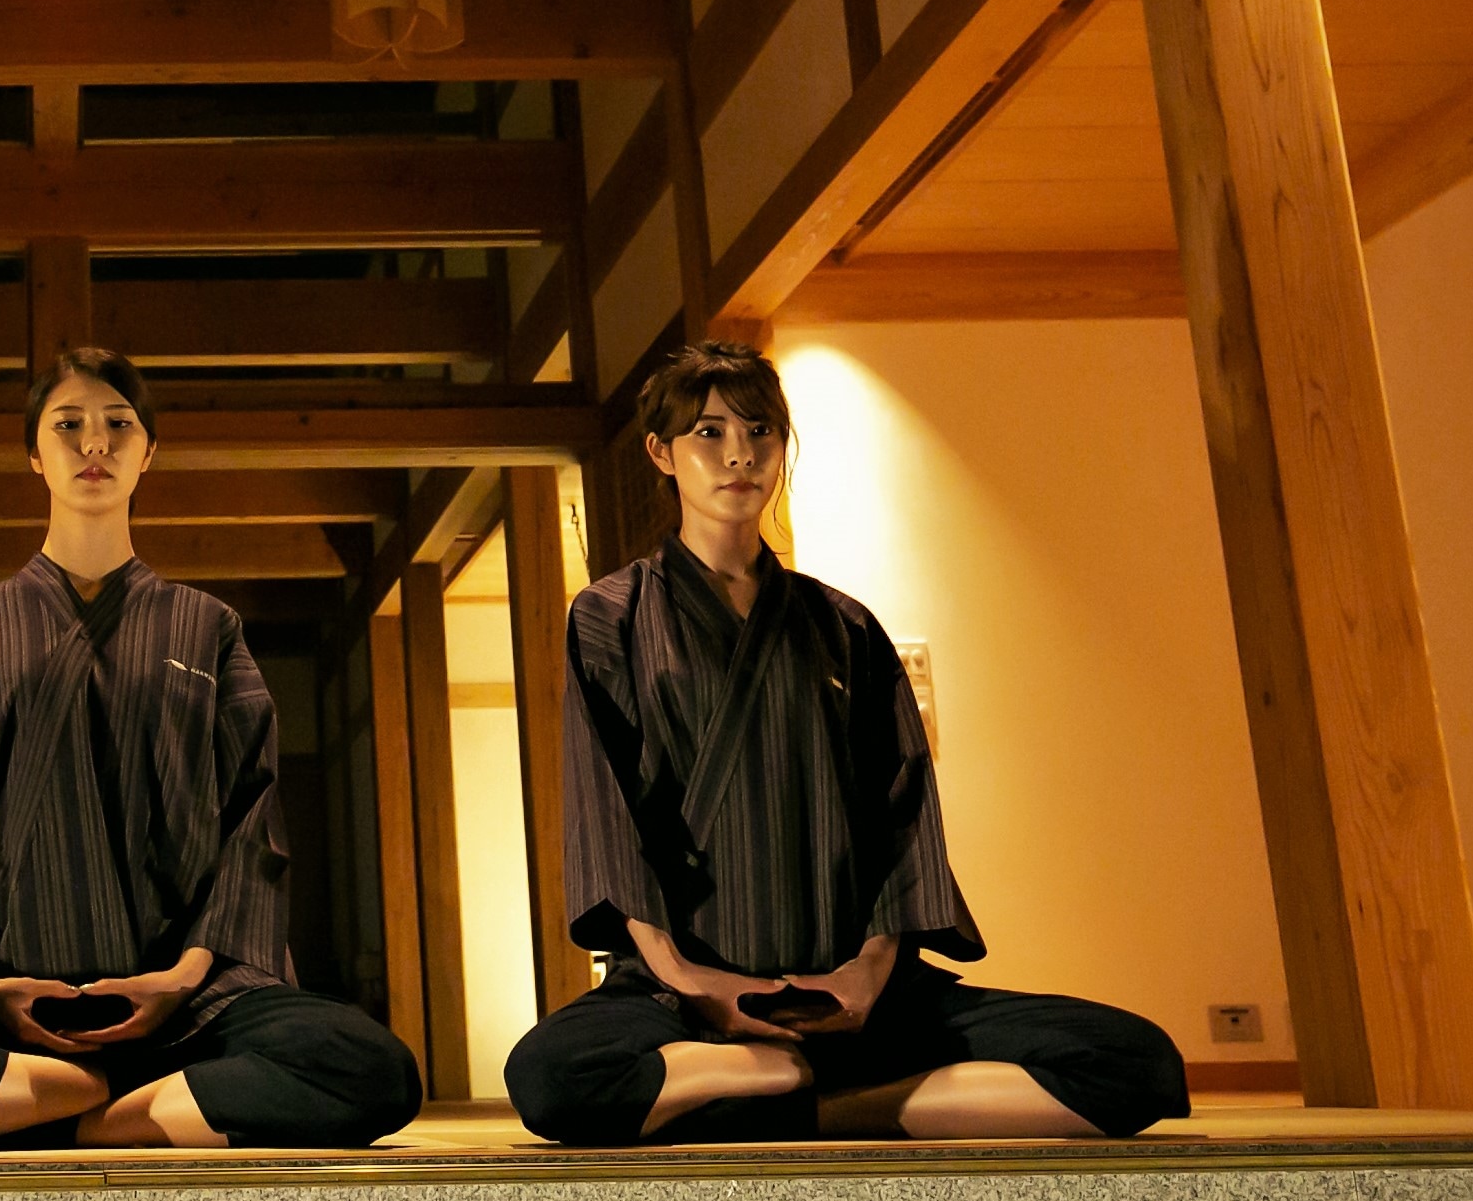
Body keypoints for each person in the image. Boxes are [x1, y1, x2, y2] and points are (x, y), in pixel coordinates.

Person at [505, 342, 1188, 1147]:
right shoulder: (609, 618)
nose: (739, 456)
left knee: (1133, 1060)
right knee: (553, 1078)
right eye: (709, 433)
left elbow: (901, 821)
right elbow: (606, 819)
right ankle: (827, 1088)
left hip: (847, 989)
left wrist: (862, 979)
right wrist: (695, 982)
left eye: (761, 431)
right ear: (662, 453)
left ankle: (817, 1104)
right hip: (686, 993)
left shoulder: (845, 625)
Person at [0, 347, 422, 1155]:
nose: (95, 444)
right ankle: (115, 1101)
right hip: (4, 1000)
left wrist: (183, 977)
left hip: (187, 1002)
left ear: (148, 453)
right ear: (33, 455)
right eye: (69, 424)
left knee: (372, 1068)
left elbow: (252, 830)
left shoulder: (205, 627)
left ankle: (77, 1115)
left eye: (119, 425)